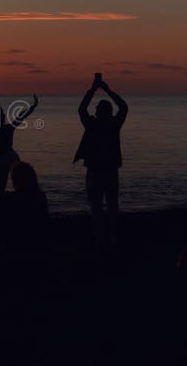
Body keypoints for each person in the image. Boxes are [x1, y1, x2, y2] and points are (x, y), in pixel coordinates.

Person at [74, 74, 128, 252]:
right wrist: (107, 90)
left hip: (95, 171)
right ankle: (111, 240)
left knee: (97, 207)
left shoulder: (92, 124)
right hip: (111, 171)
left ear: (97, 112)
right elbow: (124, 107)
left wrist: (93, 90)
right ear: (110, 112)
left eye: (97, 109)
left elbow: (82, 109)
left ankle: (100, 241)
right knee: (112, 206)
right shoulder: (114, 124)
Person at [0, 95, 39, 200]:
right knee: (20, 185)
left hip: (2, 160)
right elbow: (21, 116)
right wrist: (33, 106)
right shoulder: (8, 128)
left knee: (0, 188)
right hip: (11, 157)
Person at [0, 161, 48, 237]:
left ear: (15, 179)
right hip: (37, 234)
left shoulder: (9, 198)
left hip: (14, 234)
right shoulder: (41, 196)